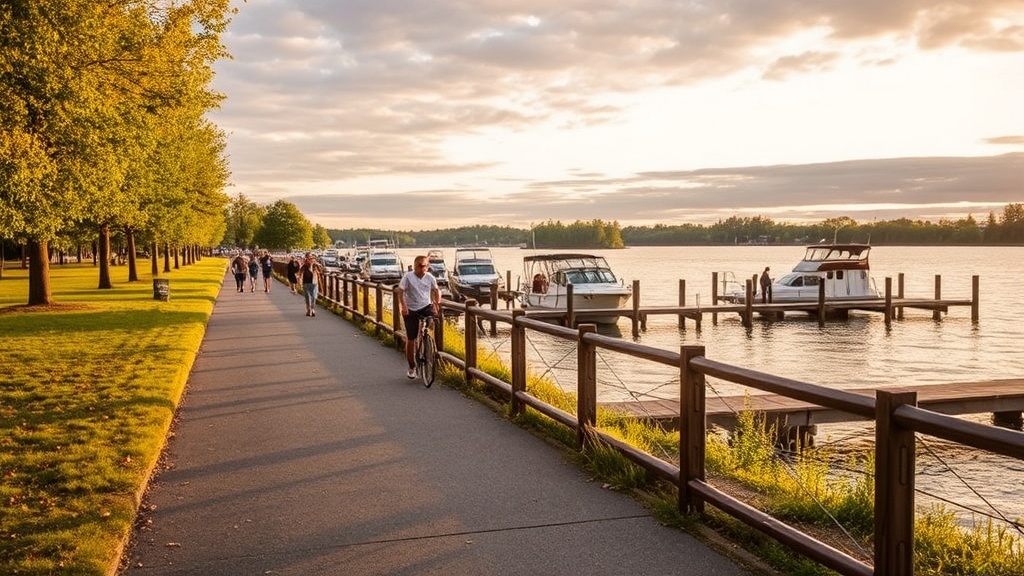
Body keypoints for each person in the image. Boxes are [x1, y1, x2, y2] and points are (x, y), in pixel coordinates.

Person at [395, 254, 441, 379]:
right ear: (415, 266)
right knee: (411, 338)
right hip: (411, 308)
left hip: (426, 306)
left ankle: (426, 340)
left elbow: (436, 290)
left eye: (424, 266)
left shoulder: (430, 277)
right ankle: (411, 366)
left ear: (427, 266)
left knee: (433, 321)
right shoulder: (408, 276)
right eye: (419, 266)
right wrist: (403, 306)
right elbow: (400, 291)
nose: (421, 268)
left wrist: (437, 303)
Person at [298, 252, 323, 316]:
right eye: (309, 258)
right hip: (306, 283)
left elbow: (321, 271)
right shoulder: (304, 265)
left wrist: (317, 265)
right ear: (306, 259)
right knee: (308, 298)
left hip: (314, 283)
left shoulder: (315, 265)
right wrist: (299, 281)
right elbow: (300, 273)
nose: (311, 260)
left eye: (312, 258)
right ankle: (309, 310)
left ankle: (312, 309)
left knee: (314, 297)